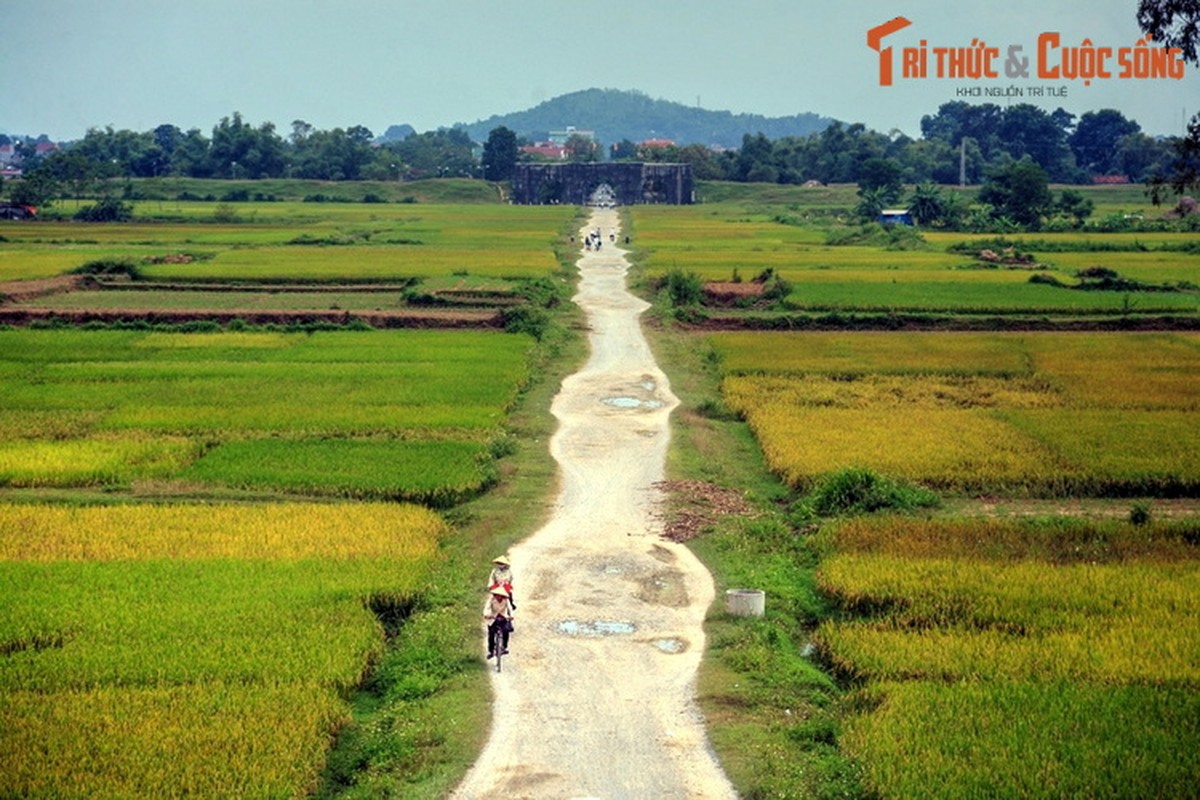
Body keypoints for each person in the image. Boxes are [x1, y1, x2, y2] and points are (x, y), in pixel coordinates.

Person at [483, 585, 514, 659]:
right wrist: (486, 614)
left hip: (503, 617)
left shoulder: (506, 600)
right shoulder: (491, 600)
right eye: (497, 595)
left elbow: (510, 608)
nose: (499, 597)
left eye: (500, 595)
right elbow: (487, 608)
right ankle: (491, 651)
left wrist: (511, 616)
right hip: (493, 618)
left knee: (506, 631)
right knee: (491, 635)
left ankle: (504, 647)